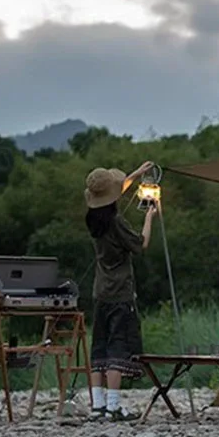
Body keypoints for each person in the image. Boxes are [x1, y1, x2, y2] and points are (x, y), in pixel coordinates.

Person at [84, 161, 156, 422]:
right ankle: (114, 406)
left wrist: (136, 175)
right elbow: (140, 244)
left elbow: (111, 196)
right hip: (121, 293)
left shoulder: (93, 219)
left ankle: (98, 405)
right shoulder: (116, 222)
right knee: (117, 346)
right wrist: (150, 217)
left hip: (100, 291)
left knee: (99, 345)